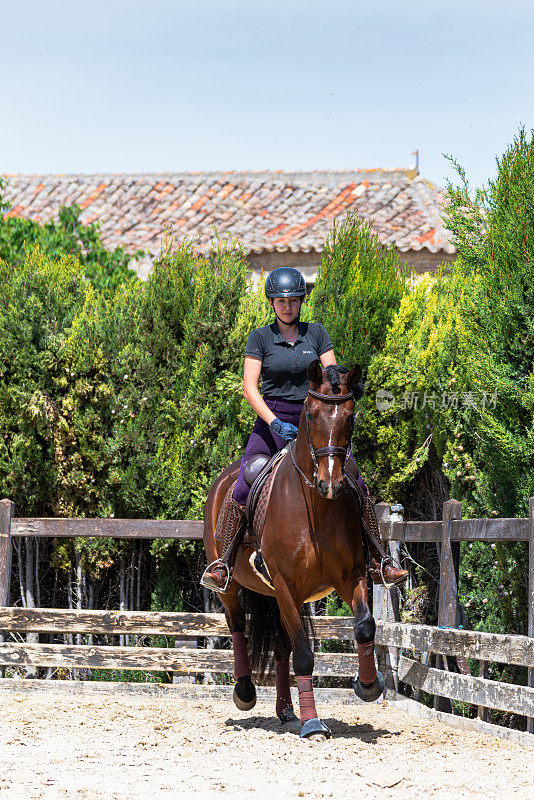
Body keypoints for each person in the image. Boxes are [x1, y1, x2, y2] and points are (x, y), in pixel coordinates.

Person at [202, 267, 408, 592]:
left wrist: (343, 384)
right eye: (281, 301)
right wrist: (273, 422)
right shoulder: (259, 338)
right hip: (272, 422)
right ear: (272, 303)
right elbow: (250, 389)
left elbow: (332, 377)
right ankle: (223, 565)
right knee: (245, 481)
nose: (287, 306)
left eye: (293, 300)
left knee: (356, 480)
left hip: (314, 422)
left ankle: (378, 560)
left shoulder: (317, 334)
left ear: (301, 302)